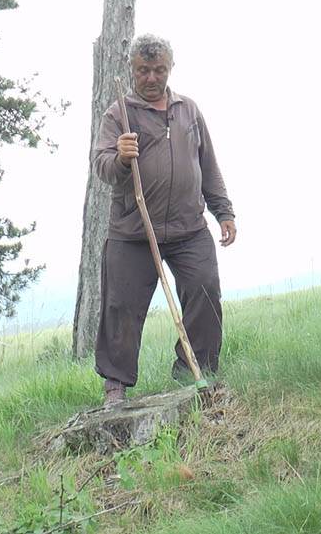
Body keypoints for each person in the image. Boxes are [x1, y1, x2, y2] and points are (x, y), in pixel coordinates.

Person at [92, 34, 236, 405]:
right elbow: (101, 167)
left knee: (205, 290)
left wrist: (223, 211)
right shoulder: (118, 114)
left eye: (159, 70)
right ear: (132, 69)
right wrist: (121, 157)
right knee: (121, 305)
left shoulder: (188, 110)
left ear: (170, 68)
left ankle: (194, 370)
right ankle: (115, 386)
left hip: (188, 228)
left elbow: (208, 166)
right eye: (144, 70)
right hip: (133, 230)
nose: (152, 77)